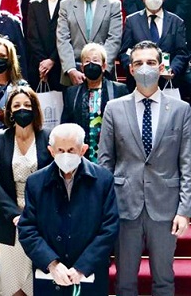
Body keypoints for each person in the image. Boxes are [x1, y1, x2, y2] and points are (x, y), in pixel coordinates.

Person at [98, 41, 191, 296]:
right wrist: (104, 208)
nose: (145, 68)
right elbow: (105, 163)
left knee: (164, 279)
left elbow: (187, 162)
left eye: (151, 63)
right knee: (124, 281)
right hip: (124, 206)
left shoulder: (181, 109)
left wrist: (185, 211)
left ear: (161, 67)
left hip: (165, 207)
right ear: (130, 69)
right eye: (139, 63)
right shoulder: (114, 108)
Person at [18, 123, 119, 296]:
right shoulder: (36, 182)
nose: (65, 155)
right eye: (60, 150)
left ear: (83, 149)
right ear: (51, 151)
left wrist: (82, 267)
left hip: (89, 274)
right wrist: (52, 264)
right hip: (50, 276)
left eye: (71, 150)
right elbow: (27, 229)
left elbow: (109, 229)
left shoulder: (103, 180)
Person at [0, 87, 53, 296]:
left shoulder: (48, 137)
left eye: (27, 105)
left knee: (38, 285)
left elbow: (54, 180)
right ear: (9, 111)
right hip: (10, 219)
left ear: (35, 109)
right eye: (16, 106)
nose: (22, 109)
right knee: (13, 286)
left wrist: (33, 214)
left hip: (41, 220)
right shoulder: (0, 138)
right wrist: (15, 214)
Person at [56, 0, 123, 86]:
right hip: (74, 75)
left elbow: (114, 38)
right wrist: (71, 69)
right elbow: (63, 39)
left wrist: (102, 68)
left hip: (103, 74)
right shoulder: (66, 5)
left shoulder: (113, 5)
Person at [61, 43, 128, 162]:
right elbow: (66, 126)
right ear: (82, 67)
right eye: (87, 61)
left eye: (95, 60)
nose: (91, 64)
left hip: (112, 154)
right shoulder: (72, 93)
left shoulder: (119, 90)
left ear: (103, 66)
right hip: (82, 156)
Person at [119, 0, 190, 90]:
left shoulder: (176, 22)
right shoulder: (131, 21)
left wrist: (173, 69)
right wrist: (135, 68)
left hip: (166, 83)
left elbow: (182, 52)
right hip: (138, 83)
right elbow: (125, 51)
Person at [26, 0, 65, 91]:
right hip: (39, 67)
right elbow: (32, 36)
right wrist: (43, 62)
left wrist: (52, 60)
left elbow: (69, 34)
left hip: (62, 66)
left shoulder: (71, 2)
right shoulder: (34, 4)